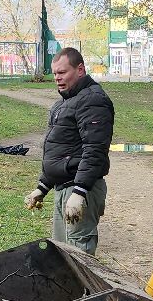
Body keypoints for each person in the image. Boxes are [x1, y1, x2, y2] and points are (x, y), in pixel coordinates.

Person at [26, 48, 113, 254]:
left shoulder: (92, 100)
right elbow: (62, 150)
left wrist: (79, 192)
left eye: (62, 72)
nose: (57, 78)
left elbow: (95, 149)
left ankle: (87, 288)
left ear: (80, 69)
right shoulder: (64, 103)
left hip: (80, 191)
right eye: (55, 73)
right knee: (62, 255)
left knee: (79, 255)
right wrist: (43, 187)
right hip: (63, 188)